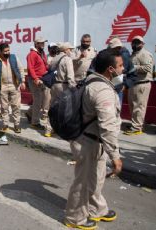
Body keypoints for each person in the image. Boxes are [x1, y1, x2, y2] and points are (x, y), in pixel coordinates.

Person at [64, 49, 123, 230]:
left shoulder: (92, 79)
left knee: (96, 178)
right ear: (111, 69)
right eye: (120, 66)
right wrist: (115, 155)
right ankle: (74, 217)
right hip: (88, 142)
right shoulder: (102, 90)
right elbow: (107, 126)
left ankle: (96, 208)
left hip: (93, 140)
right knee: (82, 181)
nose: (123, 69)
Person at [0, 43, 25, 133]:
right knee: (4, 107)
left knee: (16, 106)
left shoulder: (14, 58)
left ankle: (17, 125)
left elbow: (21, 69)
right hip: (2, 87)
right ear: (1, 51)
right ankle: (5, 124)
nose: (7, 52)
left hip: (15, 85)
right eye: (5, 51)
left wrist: (22, 81)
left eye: (8, 50)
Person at [124, 36, 154, 135]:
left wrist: (134, 67)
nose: (135, 44)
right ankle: (136, 124)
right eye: (134, 42)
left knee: (139, 107)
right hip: (133, 83)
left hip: (142, 83)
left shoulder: (145, 54)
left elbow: (148, 68)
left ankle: (137, 128)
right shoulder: (133, 54)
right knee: (133, 106)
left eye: (138, 42)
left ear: (142, 44)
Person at [46, 42, 76, 137]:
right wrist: (74, 88)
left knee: (52, 108)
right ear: (66, 50)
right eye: (70, 49)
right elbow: (70, 76)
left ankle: (49, 129)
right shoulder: (67, 59)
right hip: (63, 86)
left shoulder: (55, 58)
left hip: (54, 85)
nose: (71, 51)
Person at [26, 37, 50, 130]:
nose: (43, 45)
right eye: (41, 43)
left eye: (43, 43)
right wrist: (36, 78)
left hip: (42, 79)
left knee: (41, 100)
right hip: (34, 80)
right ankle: (35, 122)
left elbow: (44, 65)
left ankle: (29, 113)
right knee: (38, 100)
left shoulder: (41, 53)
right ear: (36, 44)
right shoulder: (32, 54)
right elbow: (30, 68)